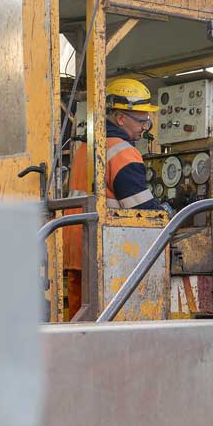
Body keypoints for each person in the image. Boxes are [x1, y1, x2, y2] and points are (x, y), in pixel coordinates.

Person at [62, 76, 166, 318]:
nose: (145, 127)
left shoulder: (85, 148)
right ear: (120, 118)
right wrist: (167, 216)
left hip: (77, 251)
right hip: (105, 253)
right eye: (142, 120)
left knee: (79, 322)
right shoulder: (123, 152)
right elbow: (142, 209)